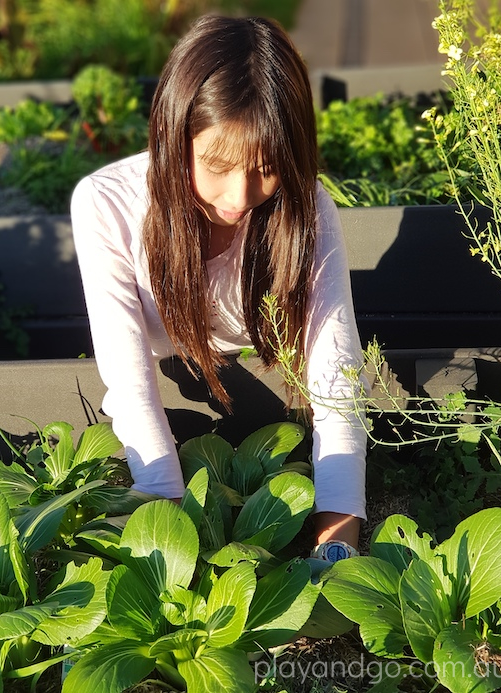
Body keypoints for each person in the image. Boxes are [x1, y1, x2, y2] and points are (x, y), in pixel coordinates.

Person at [70, 15, 367, 556]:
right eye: (217, 164)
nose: (240, 193)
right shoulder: (108, 204)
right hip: (175, 399)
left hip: (268, 383)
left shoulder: (306, 206)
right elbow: (132, 386)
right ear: (172, 132)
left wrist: (337, 545)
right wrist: (167, 518)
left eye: (268, 168)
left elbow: (336, 377)